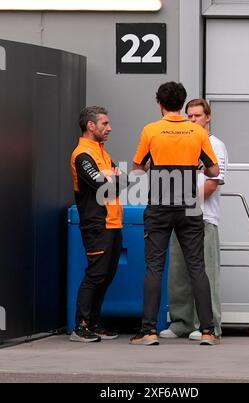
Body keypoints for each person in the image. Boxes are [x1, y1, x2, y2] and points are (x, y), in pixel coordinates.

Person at [130, 82, 220, 346]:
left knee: (154, 268)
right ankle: (207, 331)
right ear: (182, 104)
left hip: (159, 205)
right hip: (189, 205)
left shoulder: (151, 130)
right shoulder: (196, 131)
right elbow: (214, 172)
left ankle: (148, 331)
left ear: (160, 104)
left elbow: (137, 169)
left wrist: (150, 164)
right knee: (197, 268)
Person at [159, 98, 228, 341]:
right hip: (179, 217)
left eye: (197, 115)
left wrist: (188, 207)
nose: (193, 120)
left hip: (203, 218)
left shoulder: (214, 145)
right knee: (178, 274)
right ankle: (181, 322)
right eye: (189, 116)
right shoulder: (185, 143)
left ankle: (210, 324)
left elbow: (211, 183)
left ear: (208, 117)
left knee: (206, 273)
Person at [70, 106, 124, 342]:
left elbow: (115, 185)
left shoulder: (102, 152)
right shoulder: (82, 155)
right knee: (96, 274)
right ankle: (80, 327)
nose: (109, 128)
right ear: (90, 126)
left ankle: (94, 322)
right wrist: (116, 177)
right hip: (96, 224)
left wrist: (116, 178)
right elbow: (105, 187)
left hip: (113, 222)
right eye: (105, 123)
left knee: (107, 274)